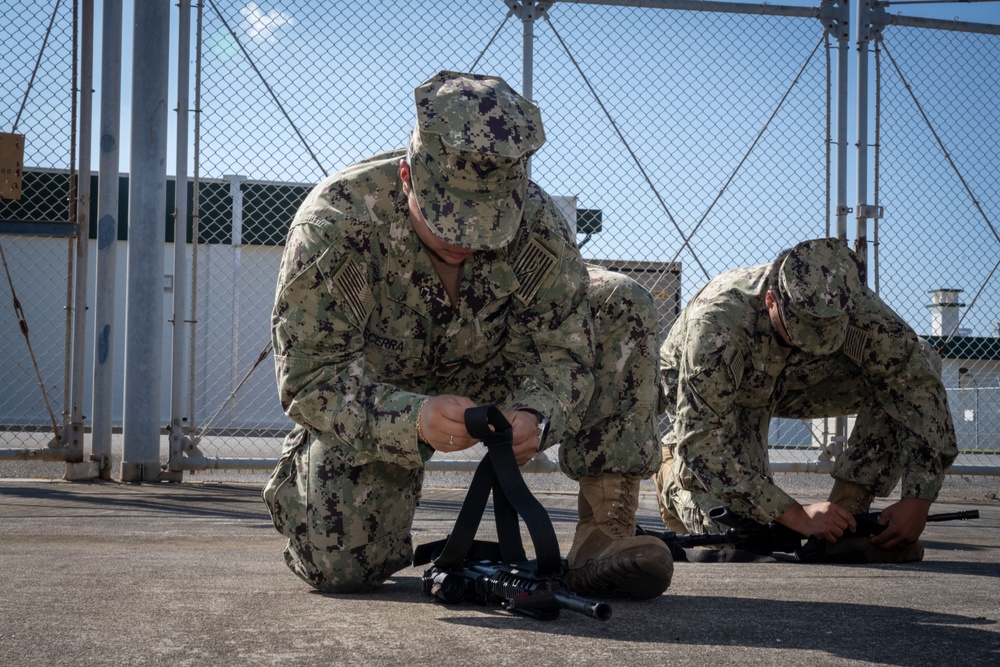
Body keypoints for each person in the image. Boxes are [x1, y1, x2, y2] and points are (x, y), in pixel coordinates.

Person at [263, 70, 673, 596]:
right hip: (383, 391)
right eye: (448, 217)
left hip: (498, 364)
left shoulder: (541, 223)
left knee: (619, 301)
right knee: (342, 569)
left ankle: (604, 530)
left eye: (489, 222)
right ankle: (314, 469)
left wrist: (539, 414)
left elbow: (563, 356)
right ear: (408, 177)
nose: (467, 239)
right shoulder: (336, 223)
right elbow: (308, 376)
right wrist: (412, 417)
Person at [653, 237, 958, 562]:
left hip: (800, 384)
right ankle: (671, 475)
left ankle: (845, 517)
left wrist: (918, 499)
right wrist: (795, 515)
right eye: (802, 331)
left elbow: (918, 388)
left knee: (917, 361)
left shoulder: (850, 300)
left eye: (828, 333)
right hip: (721, 396)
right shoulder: (719, 321)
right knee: (745, 532)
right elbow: (701, 439)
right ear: (771, 300)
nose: (813, 346)